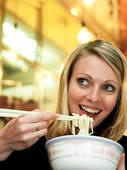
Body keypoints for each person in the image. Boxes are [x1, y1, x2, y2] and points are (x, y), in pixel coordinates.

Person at [0, 40, 127, 170]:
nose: (94, 98)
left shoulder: (122, 154)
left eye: (108, 87)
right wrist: (3, 143)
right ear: (66, 84)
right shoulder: (30, 142)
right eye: (83, 81)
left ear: (119, 97)